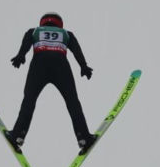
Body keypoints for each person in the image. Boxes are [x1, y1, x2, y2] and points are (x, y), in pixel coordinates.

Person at [6, 13, 96, 154]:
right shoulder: (66, 33)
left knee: (29, 100)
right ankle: (83, 137)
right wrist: (83, 66)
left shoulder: (34, 31)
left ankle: (18, 135)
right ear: (60, 23)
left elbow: (26, 43)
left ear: (42, 22)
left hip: (38, 66)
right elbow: (76, 50)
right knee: (72, 102)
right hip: (61, 66)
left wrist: (20, 55)